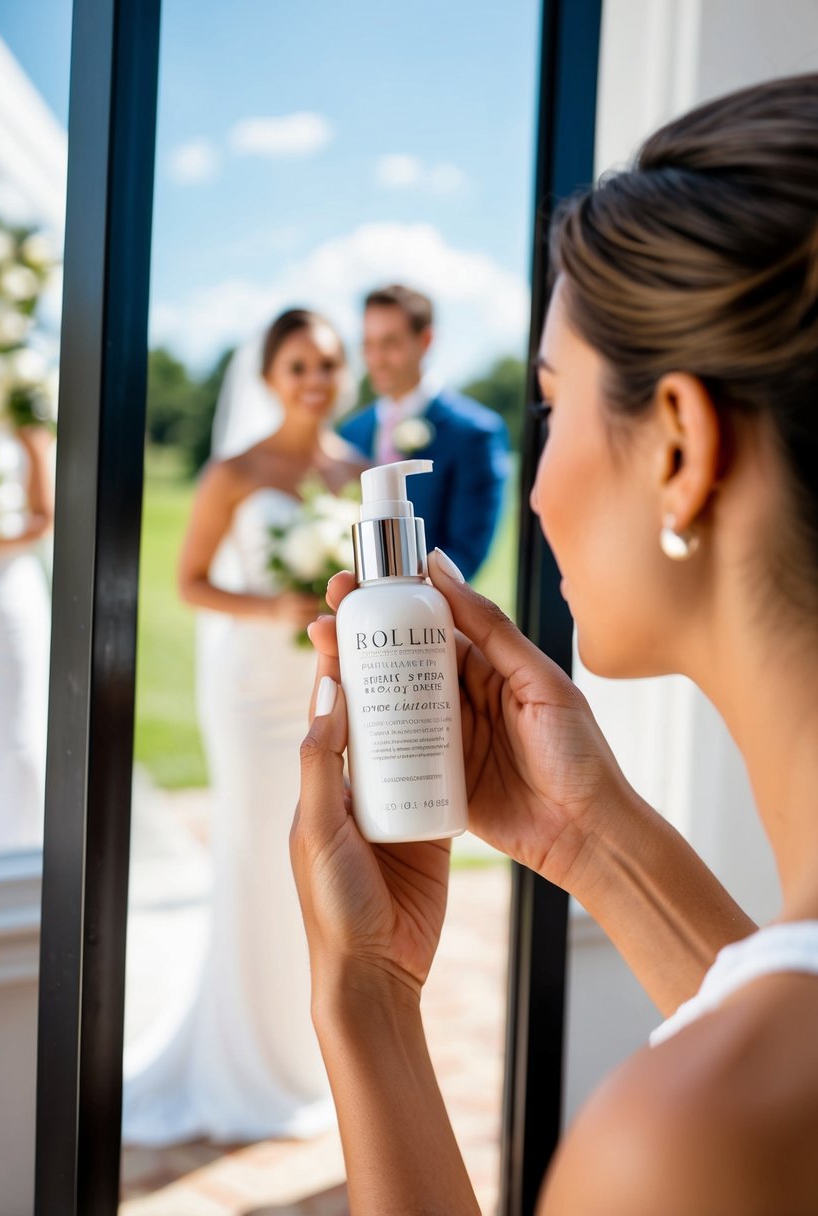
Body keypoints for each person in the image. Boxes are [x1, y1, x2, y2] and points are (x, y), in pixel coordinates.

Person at [291, 74, 818, 1214]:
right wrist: (593, 839)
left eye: (549, 403)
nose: (536, 489)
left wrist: (364, 994)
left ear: (677, 442)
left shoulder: (692, 1142)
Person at [121, 308, 367, 1145]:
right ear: (269, 377)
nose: (314, 379)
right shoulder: (234, 471)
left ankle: (310, 1057)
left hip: (325, 685)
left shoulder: (356, 471)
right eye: (298, 364)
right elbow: (189, 582)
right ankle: (242, 1058)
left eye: (328, 363)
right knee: (257, 850)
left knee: (322, 859)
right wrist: (271, 604)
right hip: (252, 687)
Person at [339, 284, 510, 580]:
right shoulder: (351, 432)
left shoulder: (474, 434)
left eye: (390, 343)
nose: (376, 358)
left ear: (426, 340)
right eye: (369, 344)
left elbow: (465, 553)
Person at [0, 423, 53, 853]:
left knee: (17, 733)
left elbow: (44, 514)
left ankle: (19, 855)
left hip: (6, 593)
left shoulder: (20, 403)